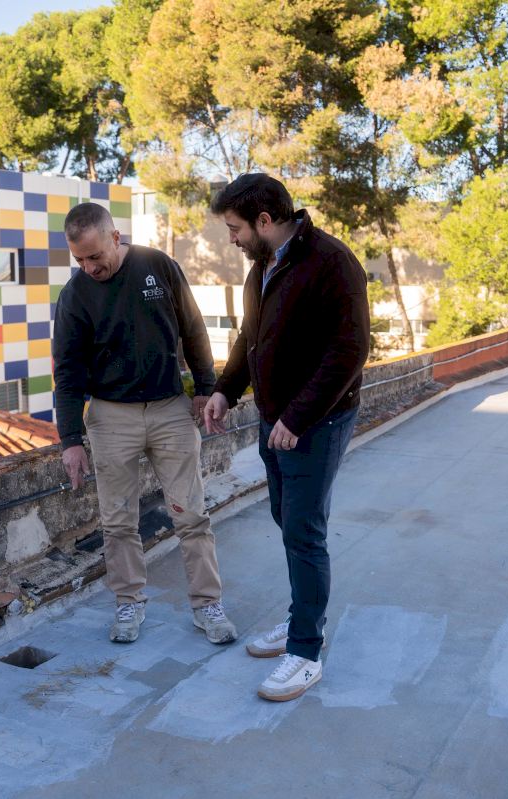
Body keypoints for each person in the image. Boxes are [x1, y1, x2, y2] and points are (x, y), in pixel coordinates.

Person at [203, 174, 370, 701]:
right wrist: (225, 390)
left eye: (235, 228)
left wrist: (297, 419)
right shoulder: (264, 266)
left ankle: (305, 653)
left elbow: (349, 351)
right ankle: (302, 618)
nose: (232, 238)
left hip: (315, 423)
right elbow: (250, 338)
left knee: (304, 531)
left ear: (265, 220)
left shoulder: (331, 262)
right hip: (275, 420)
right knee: (287, 520)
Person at [53, 202, 237, 646]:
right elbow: (67, 370)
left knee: (191, 514)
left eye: (95, 256)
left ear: (115, 238)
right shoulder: (75, 295)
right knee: (118, 522)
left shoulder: (157, 265)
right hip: (110, 416)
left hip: (171, 408)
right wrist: (70, 439)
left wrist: (205, 388)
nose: (89, 267)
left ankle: (207, 604)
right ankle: (129, 602)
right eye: (79, 259)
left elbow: (193, 328)